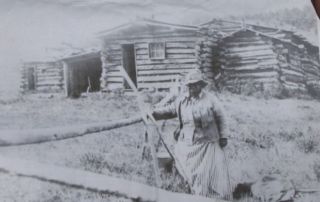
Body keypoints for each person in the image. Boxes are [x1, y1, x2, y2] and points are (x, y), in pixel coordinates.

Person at [152, 70, 232, 200]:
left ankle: (206, 197)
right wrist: (154, 113)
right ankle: (192, 193)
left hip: (207, 143)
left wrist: (224, 136)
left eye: (195, 85)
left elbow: (221, 117)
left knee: (205, 174)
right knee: (187, 171)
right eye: (189, 85)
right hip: (187, 142)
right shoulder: (182, 100)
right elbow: (170, 110)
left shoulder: (210, 100)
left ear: (201, 85)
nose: (192, 88)